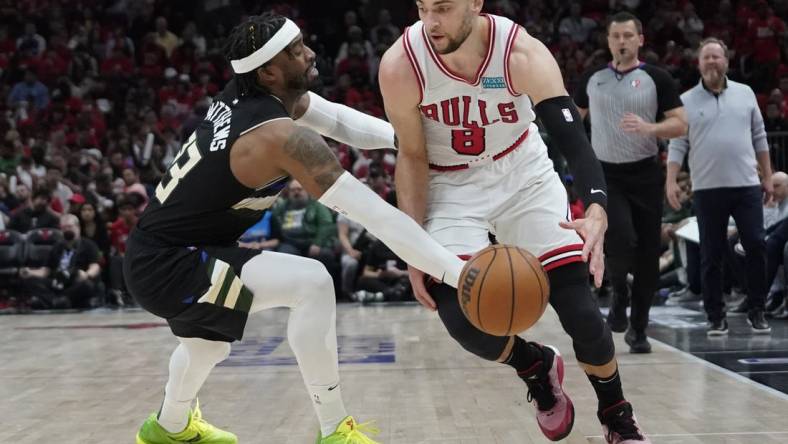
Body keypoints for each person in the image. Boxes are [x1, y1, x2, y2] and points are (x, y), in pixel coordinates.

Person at [125, 13, 464, 444]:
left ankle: (167, 428)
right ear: (268, 70)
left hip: (164, 253)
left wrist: (416, 143)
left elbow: (340, 122)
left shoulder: (260, 97)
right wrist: (459, 273)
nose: (310, 52)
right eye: (296, 50)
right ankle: (335, 431)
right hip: (169, 262)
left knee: (207, 345)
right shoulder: (276, 135)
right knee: (312, 282)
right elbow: (376, 216)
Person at [379, 1, 649, 442]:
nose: (430, 22)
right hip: (451, 185)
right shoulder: (401, 64)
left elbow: (573, 142)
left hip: (521, 173)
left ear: (476, 4)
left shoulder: (520, 52)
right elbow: (411, 156)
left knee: (581, 312)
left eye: (443, 8)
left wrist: (596, 210)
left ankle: (617, 413)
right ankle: (535, 366)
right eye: (423, 7)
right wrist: (414, 247)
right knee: (462, 319)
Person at [575, 12, 687, 353]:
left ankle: (638, 328)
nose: (621, 41)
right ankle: (619, 290)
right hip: (605, 174)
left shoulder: (657, 78)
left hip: (644, 173)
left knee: (647, 255)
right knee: (620, 239)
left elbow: (681, 124)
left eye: (627, 35)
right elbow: (572, 121)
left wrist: (650, 128)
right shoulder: (592, 79)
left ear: (640, 39)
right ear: (608, 42)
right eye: (615, 36)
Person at [667, 38, 774, 335]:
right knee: (711, 254)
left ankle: (757, 309)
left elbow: (760, 136)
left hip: (746, 186)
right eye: (706, 57)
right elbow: (677, 144)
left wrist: (767, 175)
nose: (712, 61)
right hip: (707, 189)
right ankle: (715, 315)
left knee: (756, 244)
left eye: (716, 56)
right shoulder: (686, 100)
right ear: (698, 64)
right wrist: (671, 180)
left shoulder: (746, 93)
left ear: (726, 60)